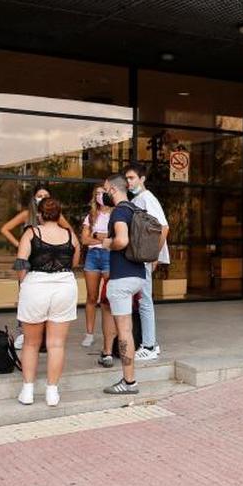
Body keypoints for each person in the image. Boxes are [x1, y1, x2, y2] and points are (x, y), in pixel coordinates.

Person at [13, 197, 78, 408]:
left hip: (37, 286)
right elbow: (74, 262)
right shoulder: (70, 235)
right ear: (60, 215)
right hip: (65, 287)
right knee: (57, 344)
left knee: (31, 344)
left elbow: (22, 263)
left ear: (39, 214)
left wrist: (23, 287)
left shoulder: (31, 233)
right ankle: (52, 392)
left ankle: (28, 391)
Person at [0, 183, 72, 350]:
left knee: (46, 299)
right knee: (25, 296)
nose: (42, 199)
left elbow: (70, 232)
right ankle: (23, 333)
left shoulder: (55, 216)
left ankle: (45, 336)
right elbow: (5, 229)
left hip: (46, 263)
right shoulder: (27, 214)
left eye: (45, 196)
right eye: (39, 196)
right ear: (33, 198)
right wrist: (20, 244)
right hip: (28, 261)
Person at [99, 175, 145, 395]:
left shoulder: (118, 211)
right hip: (137, 275)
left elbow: (123, 240)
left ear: (114, 190)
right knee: (127, 330)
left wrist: (108, 243)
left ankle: (129, 382)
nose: (103, 194)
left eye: (106, 190)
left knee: (124, 332)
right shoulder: (135, 209)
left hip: (122, 278)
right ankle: (129, 380)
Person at [122, 162, 168, 361]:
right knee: (142, 300)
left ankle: (149, 345)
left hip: (145, 258)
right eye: (127, 179)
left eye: (132, 178)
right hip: (142, 258)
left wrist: (153, 255)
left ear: (142, 179)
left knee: (145, 301)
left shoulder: (147, 198)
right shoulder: (139, 199)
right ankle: (148, 343)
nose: (129, 182)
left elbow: (164, 227)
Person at [79, 184, 116, 366]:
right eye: (98, 193)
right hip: (93, 256)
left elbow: (118, 239)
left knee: (107, 299)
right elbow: (84, 240)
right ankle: (89, 333)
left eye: (103, 193)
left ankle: (110, 341)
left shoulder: (116, 215)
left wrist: (100, 236)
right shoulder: (91, 216)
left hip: (110, 257)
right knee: (92, 297)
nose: (100, 196)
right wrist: (103, 238)